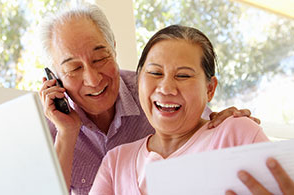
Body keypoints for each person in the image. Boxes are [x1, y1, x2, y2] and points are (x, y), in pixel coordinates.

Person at [38, 3, 260, 194]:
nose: (93, 79)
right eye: (74, 68)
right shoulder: (52, 128)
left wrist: (227, 123)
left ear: (114, 49)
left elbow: (196, 121)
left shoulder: (147, 90)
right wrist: (66, 134)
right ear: (54, 76)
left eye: (100, 58)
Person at [90, 25, 294, 194]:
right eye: (155, 72)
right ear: (138, 80)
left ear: (210, 89)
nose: (166, 88)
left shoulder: (236, 134)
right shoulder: (116, 162)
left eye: (183, 76)